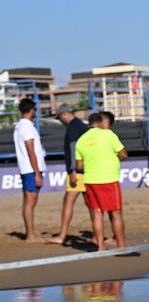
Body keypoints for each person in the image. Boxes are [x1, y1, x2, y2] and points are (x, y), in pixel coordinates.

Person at [75, 111, 128, 251]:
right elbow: (123, 154)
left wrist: (93, 163)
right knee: (116, 212)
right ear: (99, 122)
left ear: (89, 123)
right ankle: (121, 246)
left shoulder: (81, 140)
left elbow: (79, 166)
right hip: (109, 178)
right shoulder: (108, 134)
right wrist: (112, 160)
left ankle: (100, 247)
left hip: (90, 180)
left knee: (97, 214)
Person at [49, 105, 90, 245]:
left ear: (64, 114)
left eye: (60, 117)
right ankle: (98, 235)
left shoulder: (73, 127)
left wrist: (72, 170)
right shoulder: (81, 125)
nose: (60, 121)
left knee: (68, 202)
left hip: (78, 171)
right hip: (87, 169)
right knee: (91, 204)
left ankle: (62, 236)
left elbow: (74, 148)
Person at [13, 98, 47, 242]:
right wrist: (37, 173)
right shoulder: (26, 127)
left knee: (29, 201)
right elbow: (30, 150)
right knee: (30, 202)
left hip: (28, 168)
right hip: (31, 169)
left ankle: (31, 233)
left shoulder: (21, 126)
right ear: (31, 110)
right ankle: (30, 235)